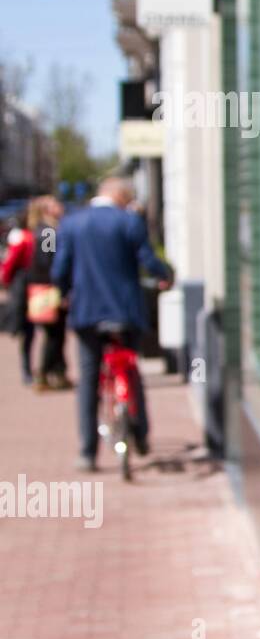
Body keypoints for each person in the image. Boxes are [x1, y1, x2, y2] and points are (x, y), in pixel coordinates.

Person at [52, 178, 172, 472]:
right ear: (120, 196)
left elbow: (60, 270)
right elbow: (147, 259)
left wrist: (66, 293)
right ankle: (140, 432)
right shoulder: (129, 221)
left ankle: (87, 452)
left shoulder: (72, 223)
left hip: (88, 312)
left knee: (89, 380)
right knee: (131, 368)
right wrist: (166, 274)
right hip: (125, 310)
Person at [2, 196, 70, 389]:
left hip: (45, 286)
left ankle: (56, 371)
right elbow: (47, 260)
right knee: (54, 333)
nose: (60, 207)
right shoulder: (48, 231)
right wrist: (57, 285)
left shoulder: (45, 229)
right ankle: (46, 372)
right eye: (55, 205)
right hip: (48, 287)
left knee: (53, 333)